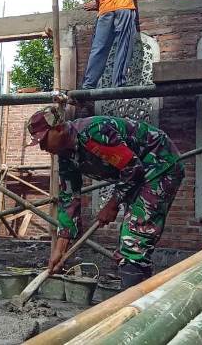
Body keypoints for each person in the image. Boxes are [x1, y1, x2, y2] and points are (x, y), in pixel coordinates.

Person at [27, 106, 184, 289]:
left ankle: (131, 305)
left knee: (134, 237)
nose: (43, 147)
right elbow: (69, 198)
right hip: (137, 174)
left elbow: (132, 168)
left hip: (159, 165)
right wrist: (60, 250)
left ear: (59, 129)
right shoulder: (65, 155)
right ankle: (140, 295)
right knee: (134, 238)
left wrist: (112, 205)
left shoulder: (94, 132)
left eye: (44, 140)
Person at [81, 0, 137, 96]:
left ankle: (88, 85)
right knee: (124, 44)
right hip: (124, 7)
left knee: (99, 48)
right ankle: (119, 82)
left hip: (105, 11)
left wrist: (94, 6)